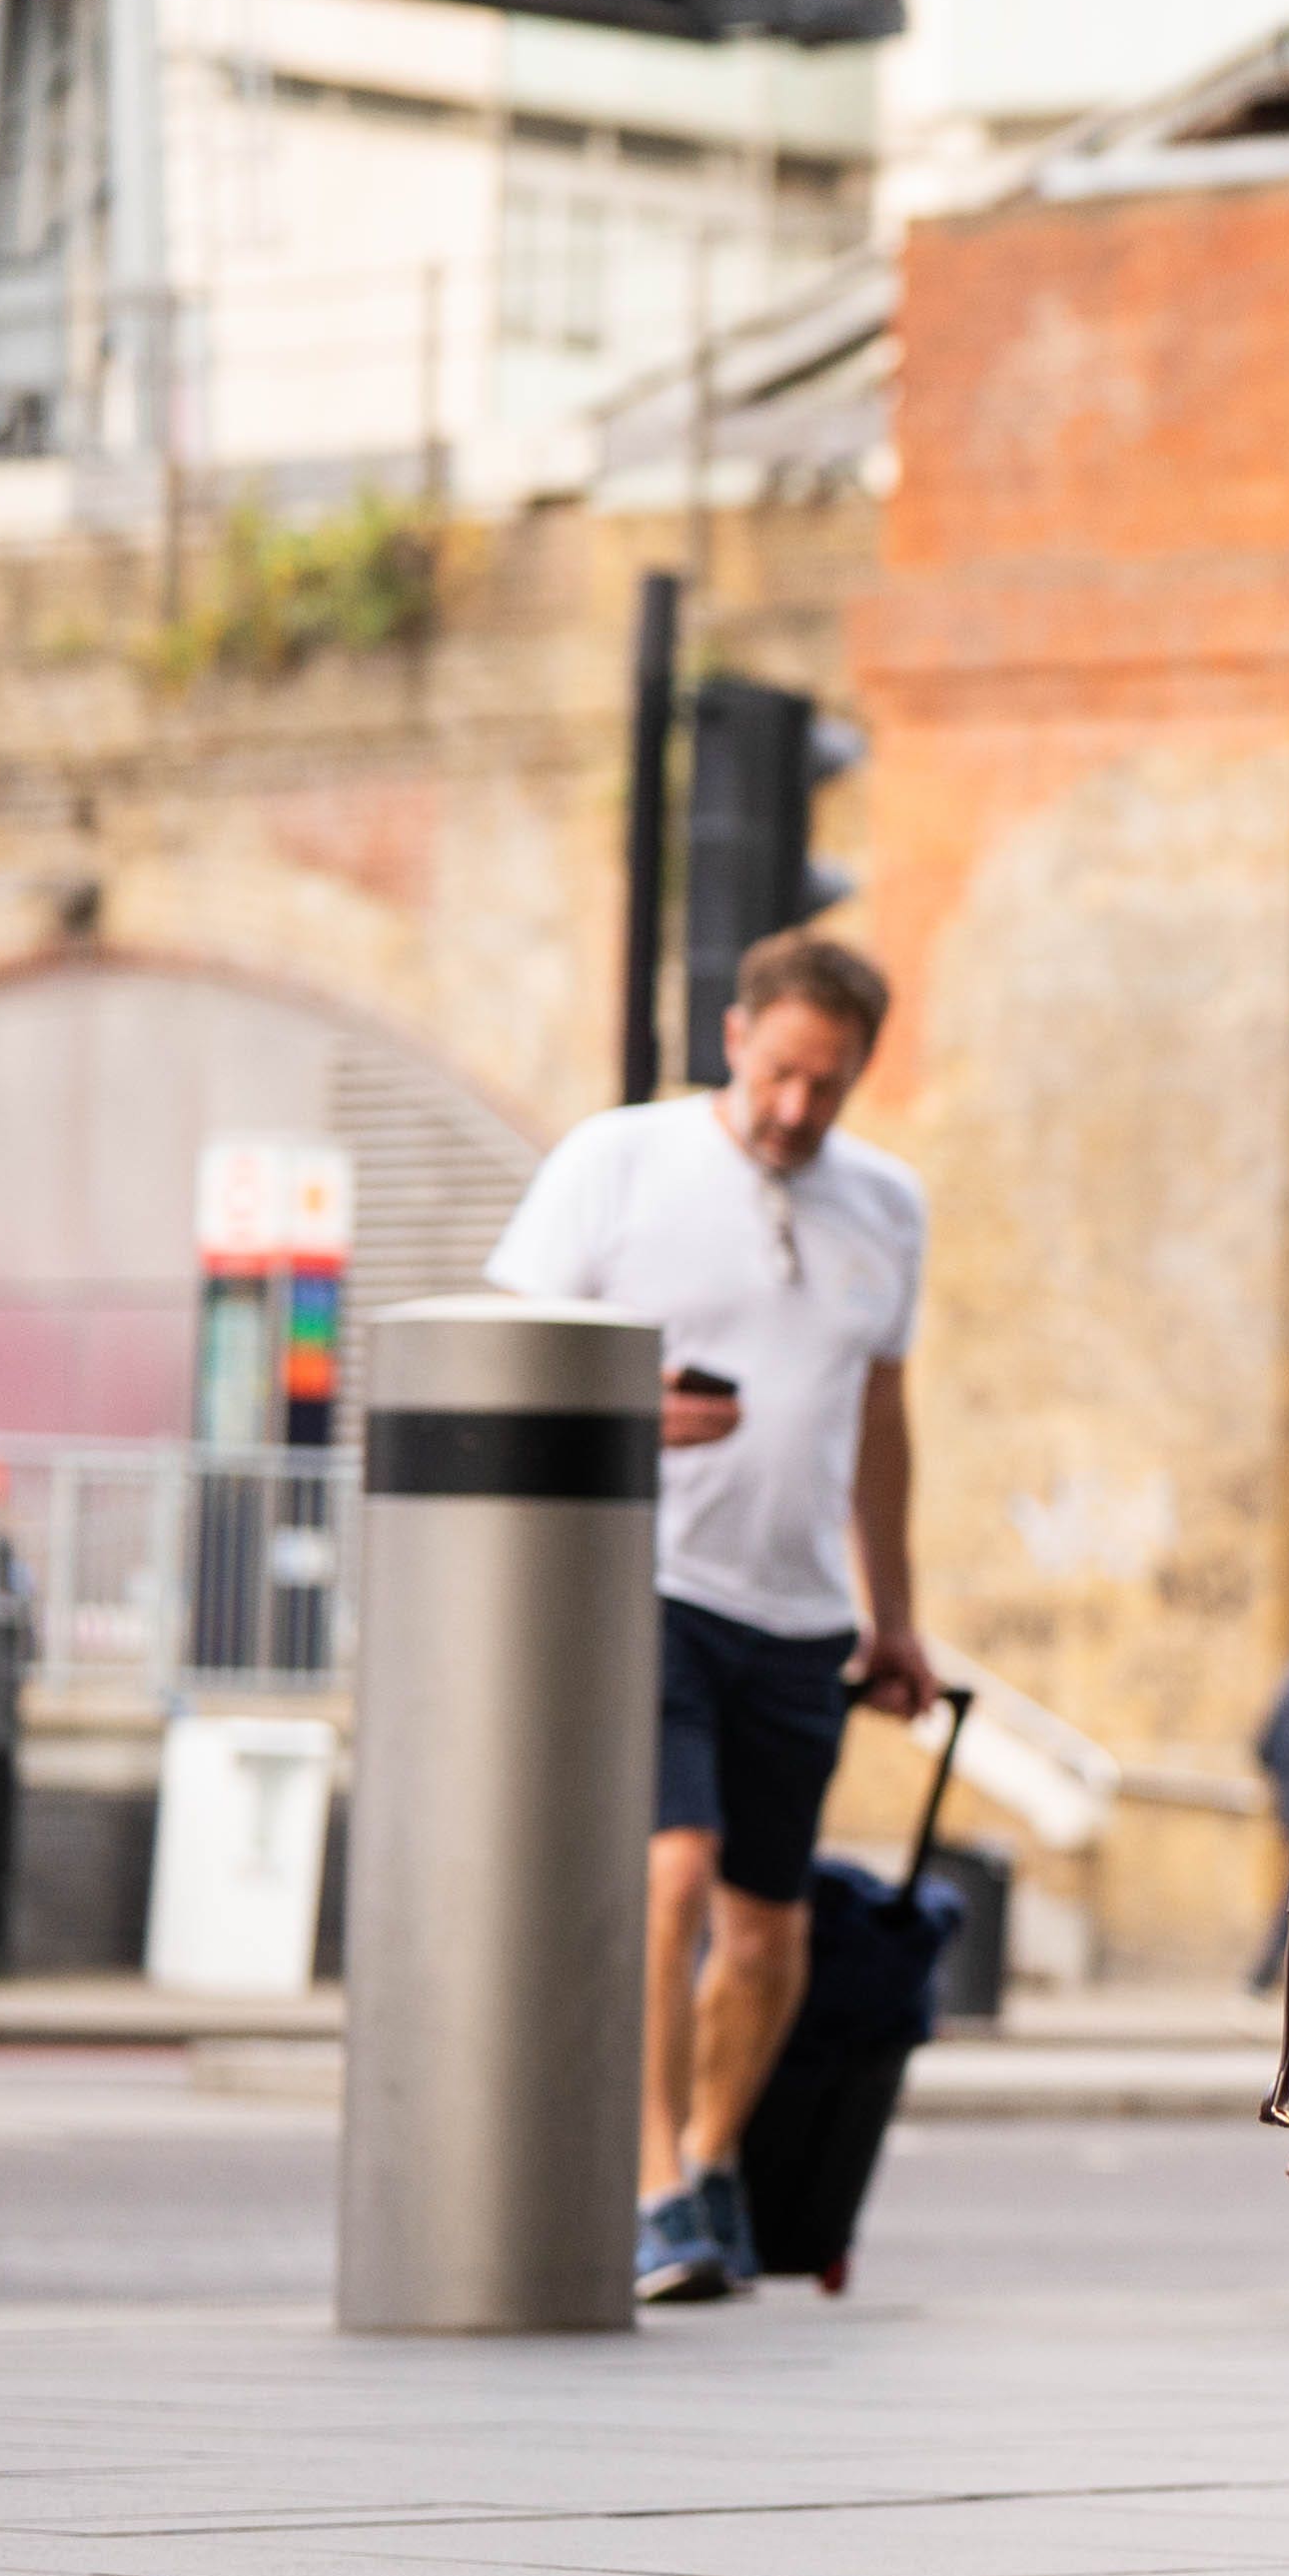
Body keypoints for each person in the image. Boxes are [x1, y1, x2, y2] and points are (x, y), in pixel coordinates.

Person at [482, 924, 938, 2308]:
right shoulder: (615, 1161)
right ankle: (654, 2195)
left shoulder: (888, 1204)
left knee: (766, 1933)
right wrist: (634, 1413)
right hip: (649, 1582)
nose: (802, 1110)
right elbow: (510, 1359)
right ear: (734, 1038)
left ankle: (711, 2154)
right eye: (785, 1073)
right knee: (672, 1868)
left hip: (798, 1611)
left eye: (834, 1085)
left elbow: (880, 1416)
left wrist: (894, 1615)